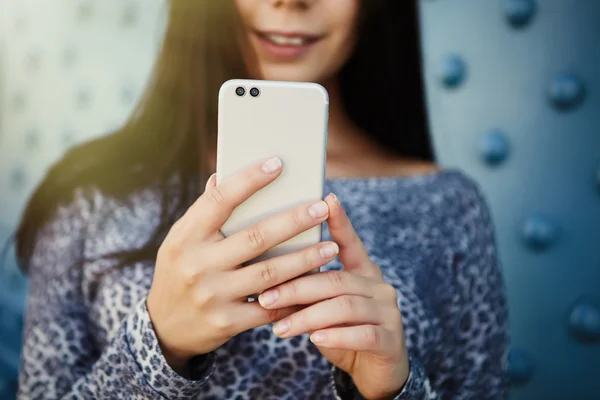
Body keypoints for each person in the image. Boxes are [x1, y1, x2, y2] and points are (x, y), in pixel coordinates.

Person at [15, 0, 509, 399]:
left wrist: (394, 391)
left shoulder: (446, 205)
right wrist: (157, 344)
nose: (290, 2)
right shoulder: (93, 189)